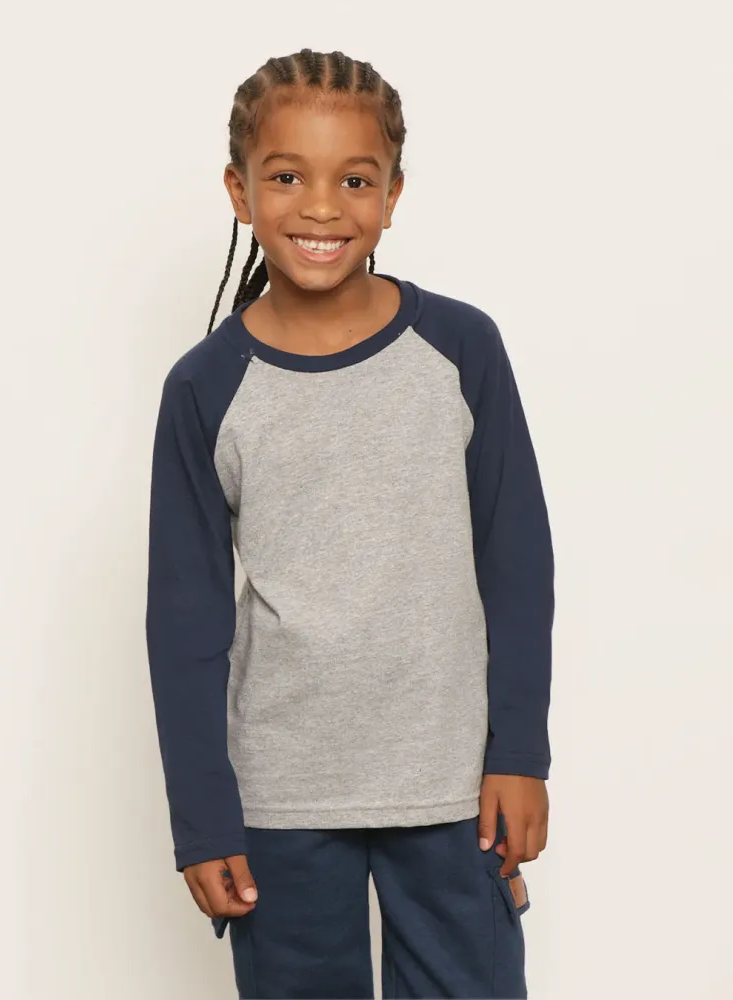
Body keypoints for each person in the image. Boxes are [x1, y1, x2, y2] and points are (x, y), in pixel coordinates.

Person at [145, 47, 555, 1000]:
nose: (322, 207)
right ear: (240, 192)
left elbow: (517, 559)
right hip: (280, 795)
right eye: (288, 177)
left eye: (355, 180)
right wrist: (203, 820)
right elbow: (185, 618)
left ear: (393, 194)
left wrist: (519, 754)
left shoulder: (460, 348)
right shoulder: (205, 387)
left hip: (452, 785)